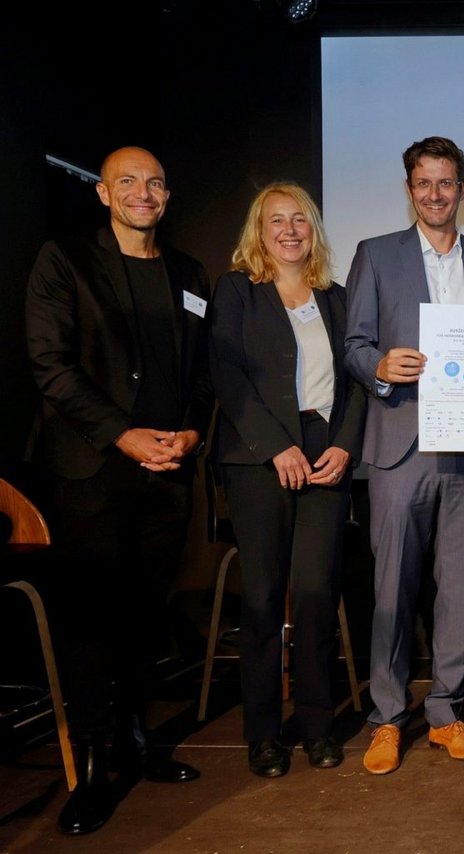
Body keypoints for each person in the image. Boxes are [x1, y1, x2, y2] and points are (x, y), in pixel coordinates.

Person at [25, 146, 211, 834]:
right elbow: (51, 367)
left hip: (167, 472)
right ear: (103, 194)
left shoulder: (190, 273)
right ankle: (95, 763)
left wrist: (190, 434)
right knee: (90, 622)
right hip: (91, 471)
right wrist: (123, 434)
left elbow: (202, 373)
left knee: (141, 614)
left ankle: (136, 740)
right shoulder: (64, 260)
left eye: (156, 181)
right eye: (128, 181)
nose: (144, 191)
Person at [344, 136, 464, 774]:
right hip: (401, 444)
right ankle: (387, 718)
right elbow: (354, 344)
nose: (435, 194)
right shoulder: (375, 255)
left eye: (446, 183)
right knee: (392, 589)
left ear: (463, 189)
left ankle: (447, 712)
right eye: (423, 183)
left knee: (459, 587)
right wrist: (381, 366)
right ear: (409, 189)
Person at [208, 182, 366, 777]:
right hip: (258, 459)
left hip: (327, 455)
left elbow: (357, 381)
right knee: (264, 599)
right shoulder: (236, 291)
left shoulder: (338, 297)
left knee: (318, 595)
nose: (290, 230)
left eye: (300, 219)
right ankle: (263, 734)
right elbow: (226, 375)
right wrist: (277, 448)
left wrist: (346, 445)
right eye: (277, 220)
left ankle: (319, 725)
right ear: (260, 229)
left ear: (314, 228)